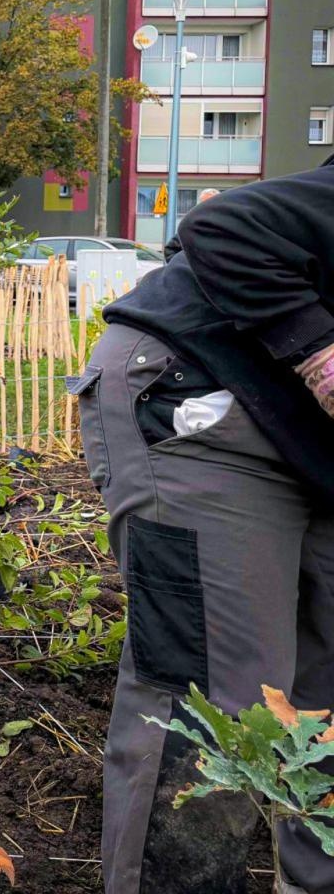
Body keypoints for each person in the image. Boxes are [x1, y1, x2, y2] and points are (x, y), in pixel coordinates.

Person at [74, 158, 334, 894]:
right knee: (217, 696)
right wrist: (323, 356)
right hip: (203, 400)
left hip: (310, 440)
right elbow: (220, 230)